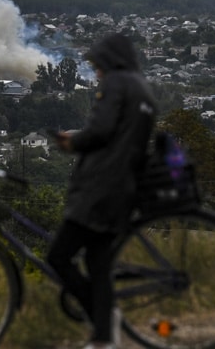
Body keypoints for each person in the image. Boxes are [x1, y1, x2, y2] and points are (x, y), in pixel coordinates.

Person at [47, 33, 158, 349]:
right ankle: (104, 339)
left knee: (58, 256)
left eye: (99, 66)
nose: (96, 73)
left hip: (101, 187)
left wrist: (73, 142)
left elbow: (102, 129)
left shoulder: (116, 83)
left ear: (111, 62)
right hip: (123, 187)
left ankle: (101, 318)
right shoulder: (142, 88)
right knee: (98, 265)